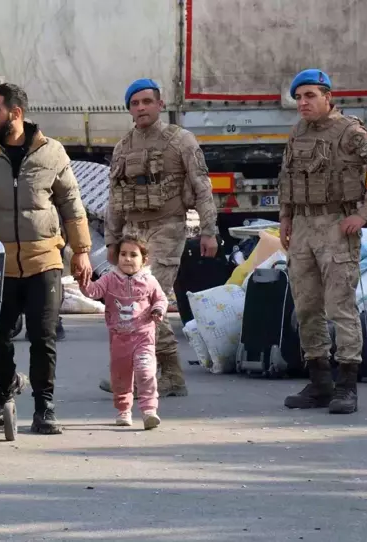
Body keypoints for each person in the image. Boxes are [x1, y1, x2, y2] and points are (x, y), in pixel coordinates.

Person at [0, 82, 92, 435]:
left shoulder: (52, 152)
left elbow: (71, 205)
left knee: (43, 336)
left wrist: (83, 252)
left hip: (44, 259)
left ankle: (45, 406)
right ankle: (7, 382)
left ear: (16, 113)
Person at [280, 69, 367, 414]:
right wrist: (285, 218)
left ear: (328, 97)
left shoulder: (349, 132)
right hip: (302, 226)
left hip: (336, 225)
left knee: (340, 308)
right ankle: (319, 383)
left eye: (310, 95)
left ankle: (347, 386)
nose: (303, 102)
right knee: (306, 307)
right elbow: (286, 176)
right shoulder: (297, 131)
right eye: (299, 97)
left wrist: (363, 214)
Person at [102, 78, 218, 397]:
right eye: (135, 104)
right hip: (132, 232)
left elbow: (202, 186)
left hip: (168, 227)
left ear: (160, 104)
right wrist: (112, 242)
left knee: (148, 298)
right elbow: (115, 198)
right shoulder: (124, 146)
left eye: (146, 102)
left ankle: (170, 375)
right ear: (129, 110)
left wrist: (209, 231)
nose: (141, 108)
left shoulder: (181, 141)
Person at [81, 234, 167, 429]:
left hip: (144, 336)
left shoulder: (149, 281)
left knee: (145, 372)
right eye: (123, 254)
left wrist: (157, 310)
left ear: (144, 260)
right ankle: (123, 410)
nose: (127, 259)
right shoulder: (110, 279)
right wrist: (83, 279)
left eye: (133, 255)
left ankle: (149, 411)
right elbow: (93, 292)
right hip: (119, 340)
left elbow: (161, 299)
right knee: (121, 377)